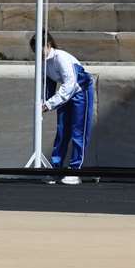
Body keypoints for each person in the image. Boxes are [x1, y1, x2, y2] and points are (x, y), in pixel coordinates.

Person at [32, 31, 95, 184]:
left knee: (78, 131)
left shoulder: (60, 58)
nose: (36, 53)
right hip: (65, 94)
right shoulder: (43, 62)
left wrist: (49, 105)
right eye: (34, 50)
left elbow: (70, 84)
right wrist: (42, 102)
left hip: (81, 90)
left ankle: (75, 170)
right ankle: (56, 169)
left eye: (38, 49)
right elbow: (47, 86)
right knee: (62, 131)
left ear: (48, 45)